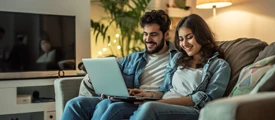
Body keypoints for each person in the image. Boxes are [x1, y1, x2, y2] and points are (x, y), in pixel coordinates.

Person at [87, 14, 232, 120]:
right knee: (112, 106)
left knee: (149, 107)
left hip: (190, 109)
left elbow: (204, 99)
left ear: (202, 35)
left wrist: (158, 102)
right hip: (163, 102)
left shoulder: (220, 66)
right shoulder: (178, 59)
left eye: (189, 37)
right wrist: (148, 95)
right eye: (181, 39)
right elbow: (165, 90)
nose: (184, 43)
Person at [61, 10, 177, 119]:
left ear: (166, 34)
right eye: (145, 34)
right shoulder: (134, 57)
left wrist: (149, 95)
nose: (148, 39)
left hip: (147, 103)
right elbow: (113, 73)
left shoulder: (177, 59)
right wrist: (98, 78)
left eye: (154, 34)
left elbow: (174, 91)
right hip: (126, 99)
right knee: (74, 104)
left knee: (108, 105)